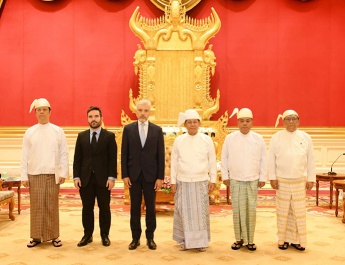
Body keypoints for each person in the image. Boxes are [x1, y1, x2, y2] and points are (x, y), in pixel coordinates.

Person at [21, 98, 68, 248]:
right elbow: (24, 155)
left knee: (51, 206)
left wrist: (63, 173)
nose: (41, 112)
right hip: (34, 174)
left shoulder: (58, 131)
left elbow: (64, 153)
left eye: (44, 109)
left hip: (52, 175)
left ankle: (54, 236)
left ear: (49, 112)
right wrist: (24, 176)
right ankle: (36, 237)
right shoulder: (29, 132)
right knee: (36, 206)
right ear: (35, 113)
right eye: (39, 110)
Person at [269, 109, 315, 251]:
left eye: (294, 118)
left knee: (298, 212)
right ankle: (282, 239)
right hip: (281, 181)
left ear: (298, 121)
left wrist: (311, 178)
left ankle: (297, 240)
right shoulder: (276, 137)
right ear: (283, 122)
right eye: (288, 119)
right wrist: (272, 177)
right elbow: (271, 159)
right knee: (283, 212)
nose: (291, 121)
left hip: (299, 180)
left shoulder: (306, 137)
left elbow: (311, 160)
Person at [220, 108, 267, 251]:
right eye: (241, 121)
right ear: (237, 122)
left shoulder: (258, 138)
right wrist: (225, 176)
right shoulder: (230, 138)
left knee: (250, 211)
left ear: (252, 122)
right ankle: (239, 239)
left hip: (253, 179)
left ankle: (250, 240)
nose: (244, 124)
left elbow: (263, 159)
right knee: (238, 211)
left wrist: (263, 177)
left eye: (247, 121)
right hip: (235, 179)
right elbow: (224, 158)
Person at [121, 99, 165, 250]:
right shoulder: (128, 129)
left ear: (149, 112)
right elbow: (124, 154)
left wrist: (160, 177)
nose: (143, 113)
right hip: (133, 175)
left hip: (151, 176)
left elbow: (161, 155)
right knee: (134, 208)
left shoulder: (157, 130)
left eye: (146, 111)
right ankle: (135, 238)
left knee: (151, 208)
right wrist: (125, 175)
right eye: (140, 110)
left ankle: (150, 238)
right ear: (136, 111)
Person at [171, 109, 217, 252]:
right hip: (183, 181)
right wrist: (173, 181)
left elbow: (212, 161)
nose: (192, 125)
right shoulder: (179, 140)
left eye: (195, 122)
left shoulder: (206, 140)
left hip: (201, 181)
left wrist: (213, 179)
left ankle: (201, 242)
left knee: (199, 212)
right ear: (185, 125)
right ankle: (184, 241)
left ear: (199, 124)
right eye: (189, 122)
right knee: (184, 211)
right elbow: (174, 162)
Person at [73, 106, 117, 247]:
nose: (93, 119)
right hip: (85, 179)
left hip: (103, 180)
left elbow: (112, 159)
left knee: (104, 208)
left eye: (96, 116)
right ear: (87, 119)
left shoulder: (109, 136)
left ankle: (105, 235)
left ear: (101, 118)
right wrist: (76, 177)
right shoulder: (81, 136)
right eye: (91, 117)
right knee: (87, 208)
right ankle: (87, 235)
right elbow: (77, 159)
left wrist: (111, 177)